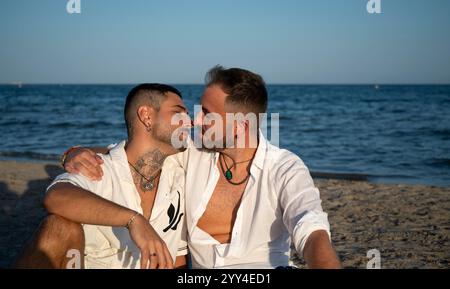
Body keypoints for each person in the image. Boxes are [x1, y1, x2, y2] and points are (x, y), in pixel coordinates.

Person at [63, 66, 342, 269]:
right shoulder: (192, 153)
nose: (195, 120)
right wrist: (76, 152)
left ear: (242, 125)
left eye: (207, 113)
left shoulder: (284, 168)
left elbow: (311, 229)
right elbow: (136, 148)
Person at [13, 83, 190, 269]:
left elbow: (177, 255)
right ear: (146, 116)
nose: (189, 121)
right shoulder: (97, 169)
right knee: (58, 226)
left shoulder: (180, 172)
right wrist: (133, 220)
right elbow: (56, 197)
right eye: (179, 112)